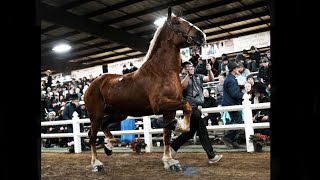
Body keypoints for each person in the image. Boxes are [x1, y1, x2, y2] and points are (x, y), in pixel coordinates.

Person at [170, 61, 223, 164]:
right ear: (184, 70)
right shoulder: (181, 78)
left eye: (192, 67)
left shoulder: (198, 76)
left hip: (197, 108)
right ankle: (211, 156)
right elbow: (181, 87)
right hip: (189, 108)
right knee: (202, 130)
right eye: (188, 67)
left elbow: (210, 79)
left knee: (190, 133)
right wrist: (188, 76)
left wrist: (209, 70)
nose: (191, 68)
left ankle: (172, 148)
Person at [220, 62, 249, 149]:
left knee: (236, 121)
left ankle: (233, 141)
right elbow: (235, 94)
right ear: (233, 70)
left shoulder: (230, 78)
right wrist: (244, 96)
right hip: (232, 104)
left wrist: (239, 88)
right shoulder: (230, 80)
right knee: (238, 120)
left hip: (230, 103)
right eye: (237, 68)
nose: (238, 69)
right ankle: (228, 138)